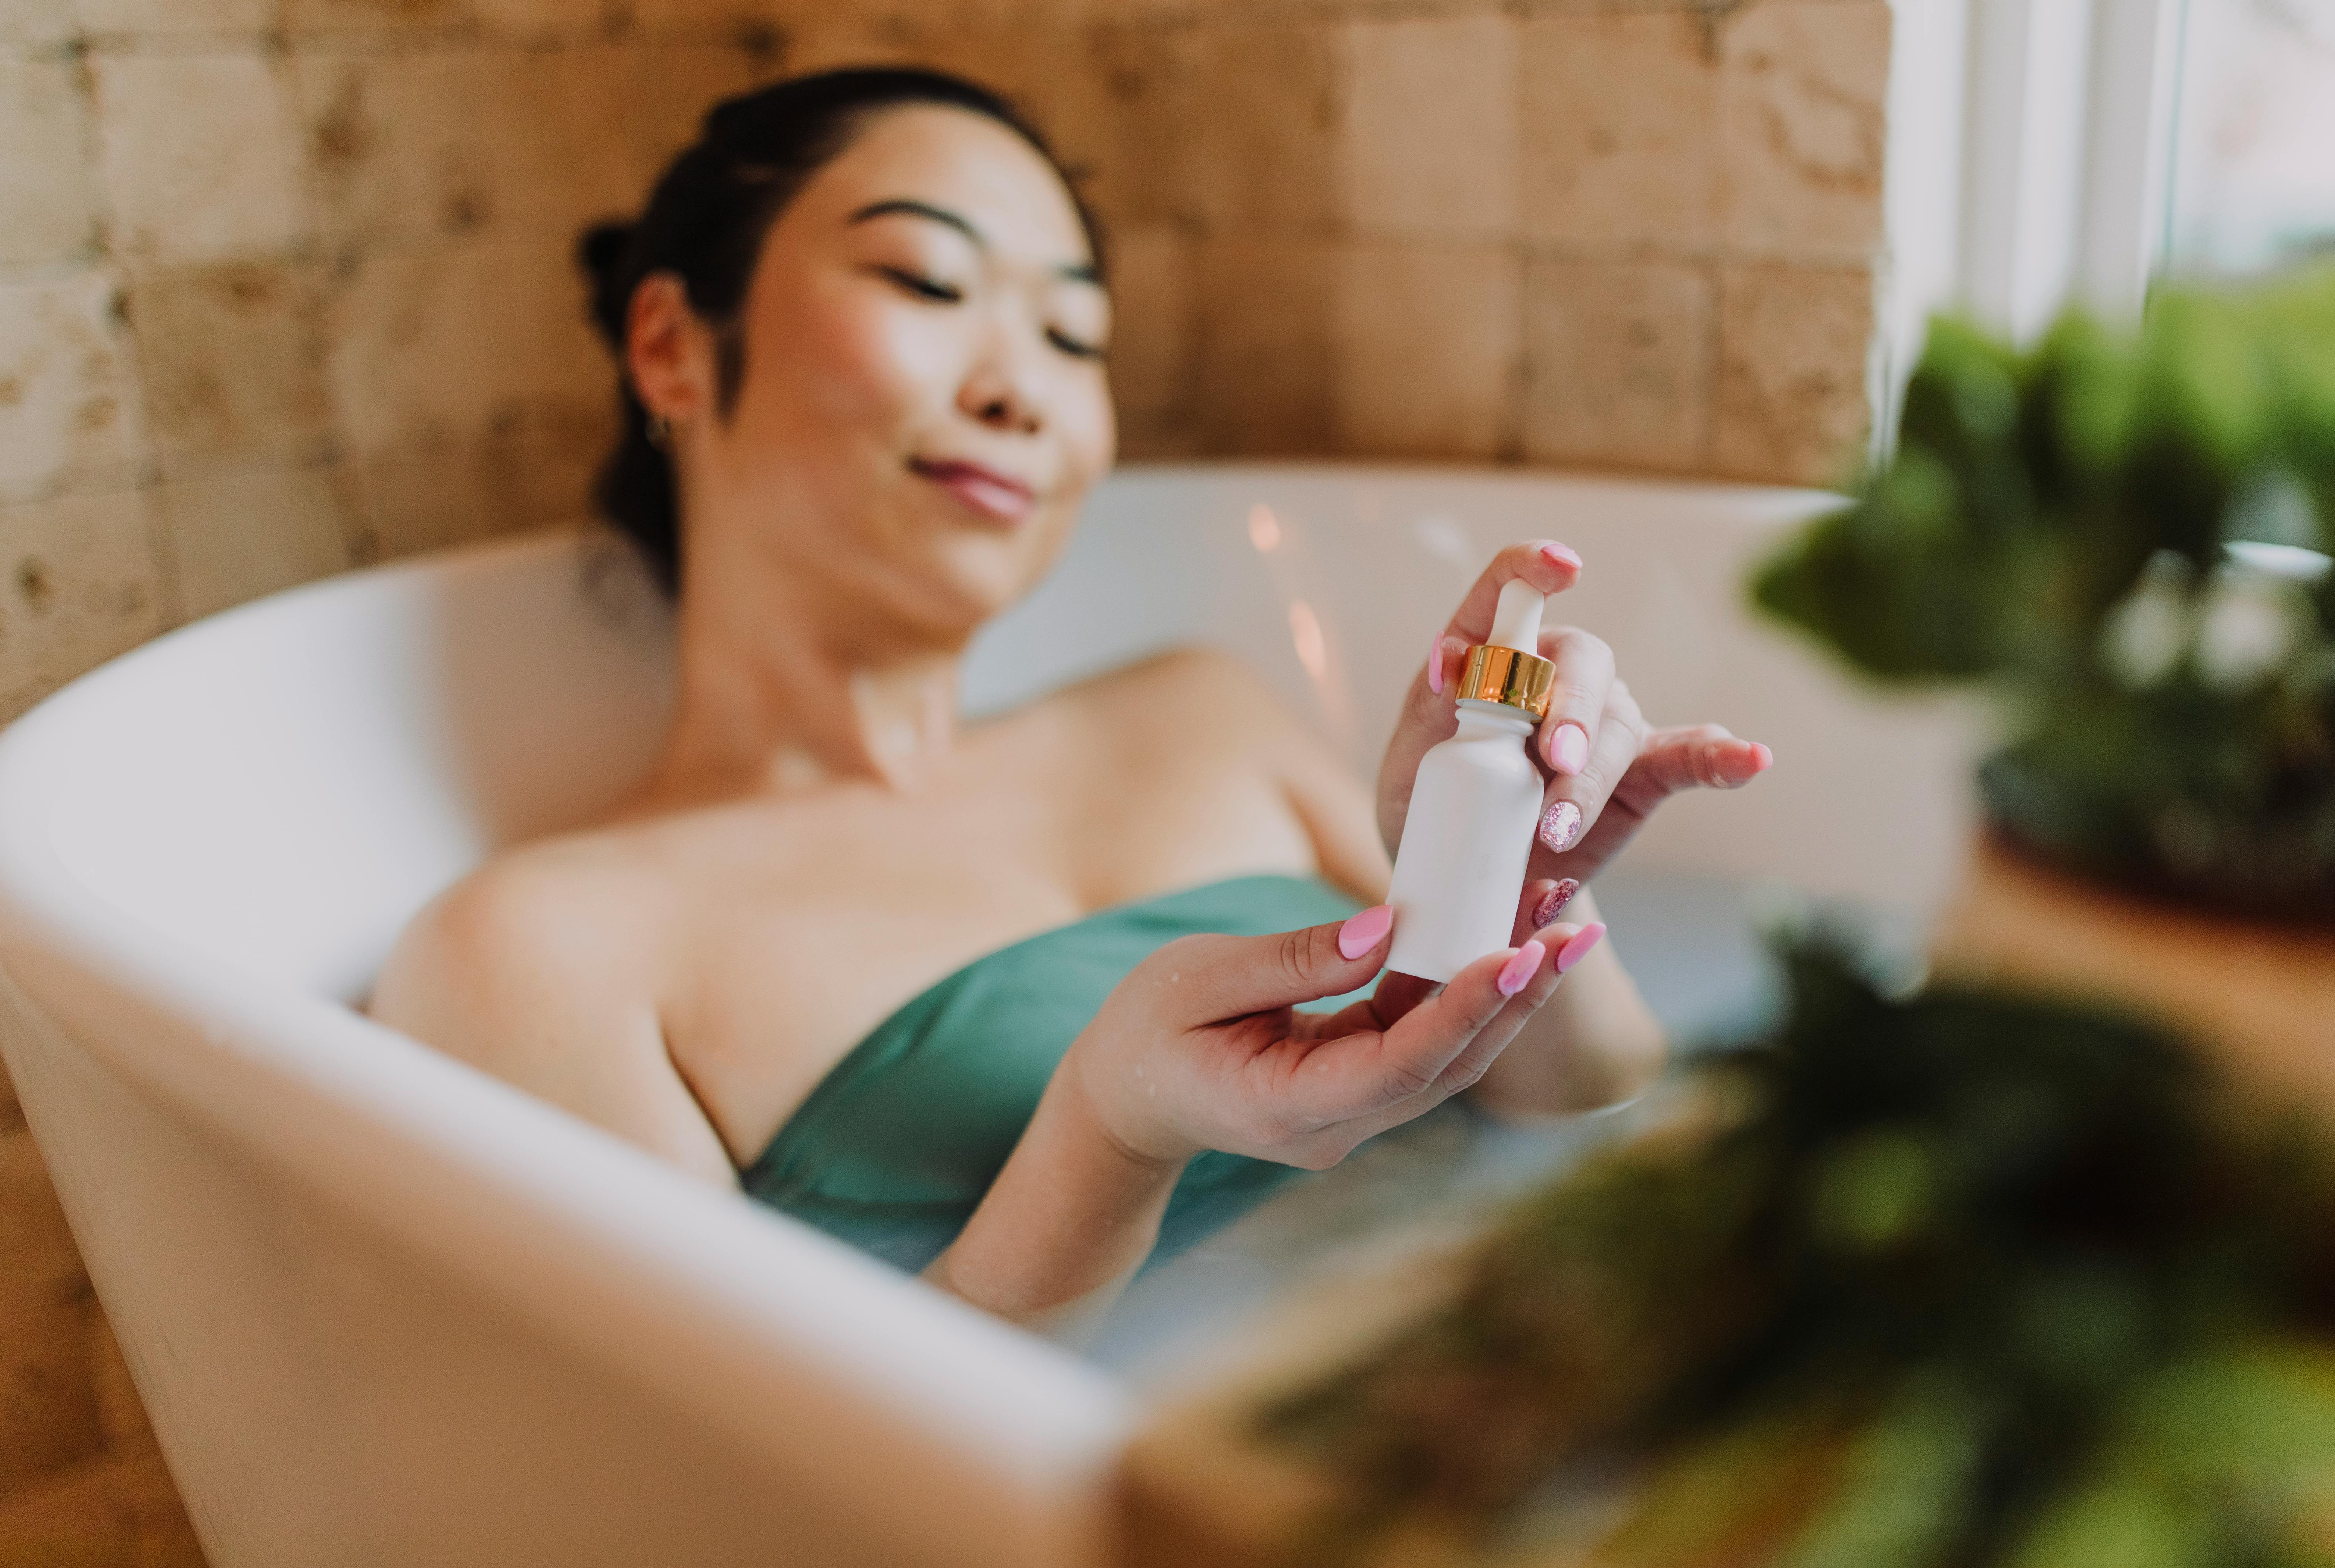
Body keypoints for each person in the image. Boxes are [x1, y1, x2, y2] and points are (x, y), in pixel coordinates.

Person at [368, 68, 1772, 1338]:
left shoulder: (1196, 715)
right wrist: (1108, 1134)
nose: (1022, 389)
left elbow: (1588, 1107)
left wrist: (1514, 878)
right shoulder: (537, 957)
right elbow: (735, 1511)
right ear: (671, 343)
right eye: (925, 282)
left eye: (1072, 333)